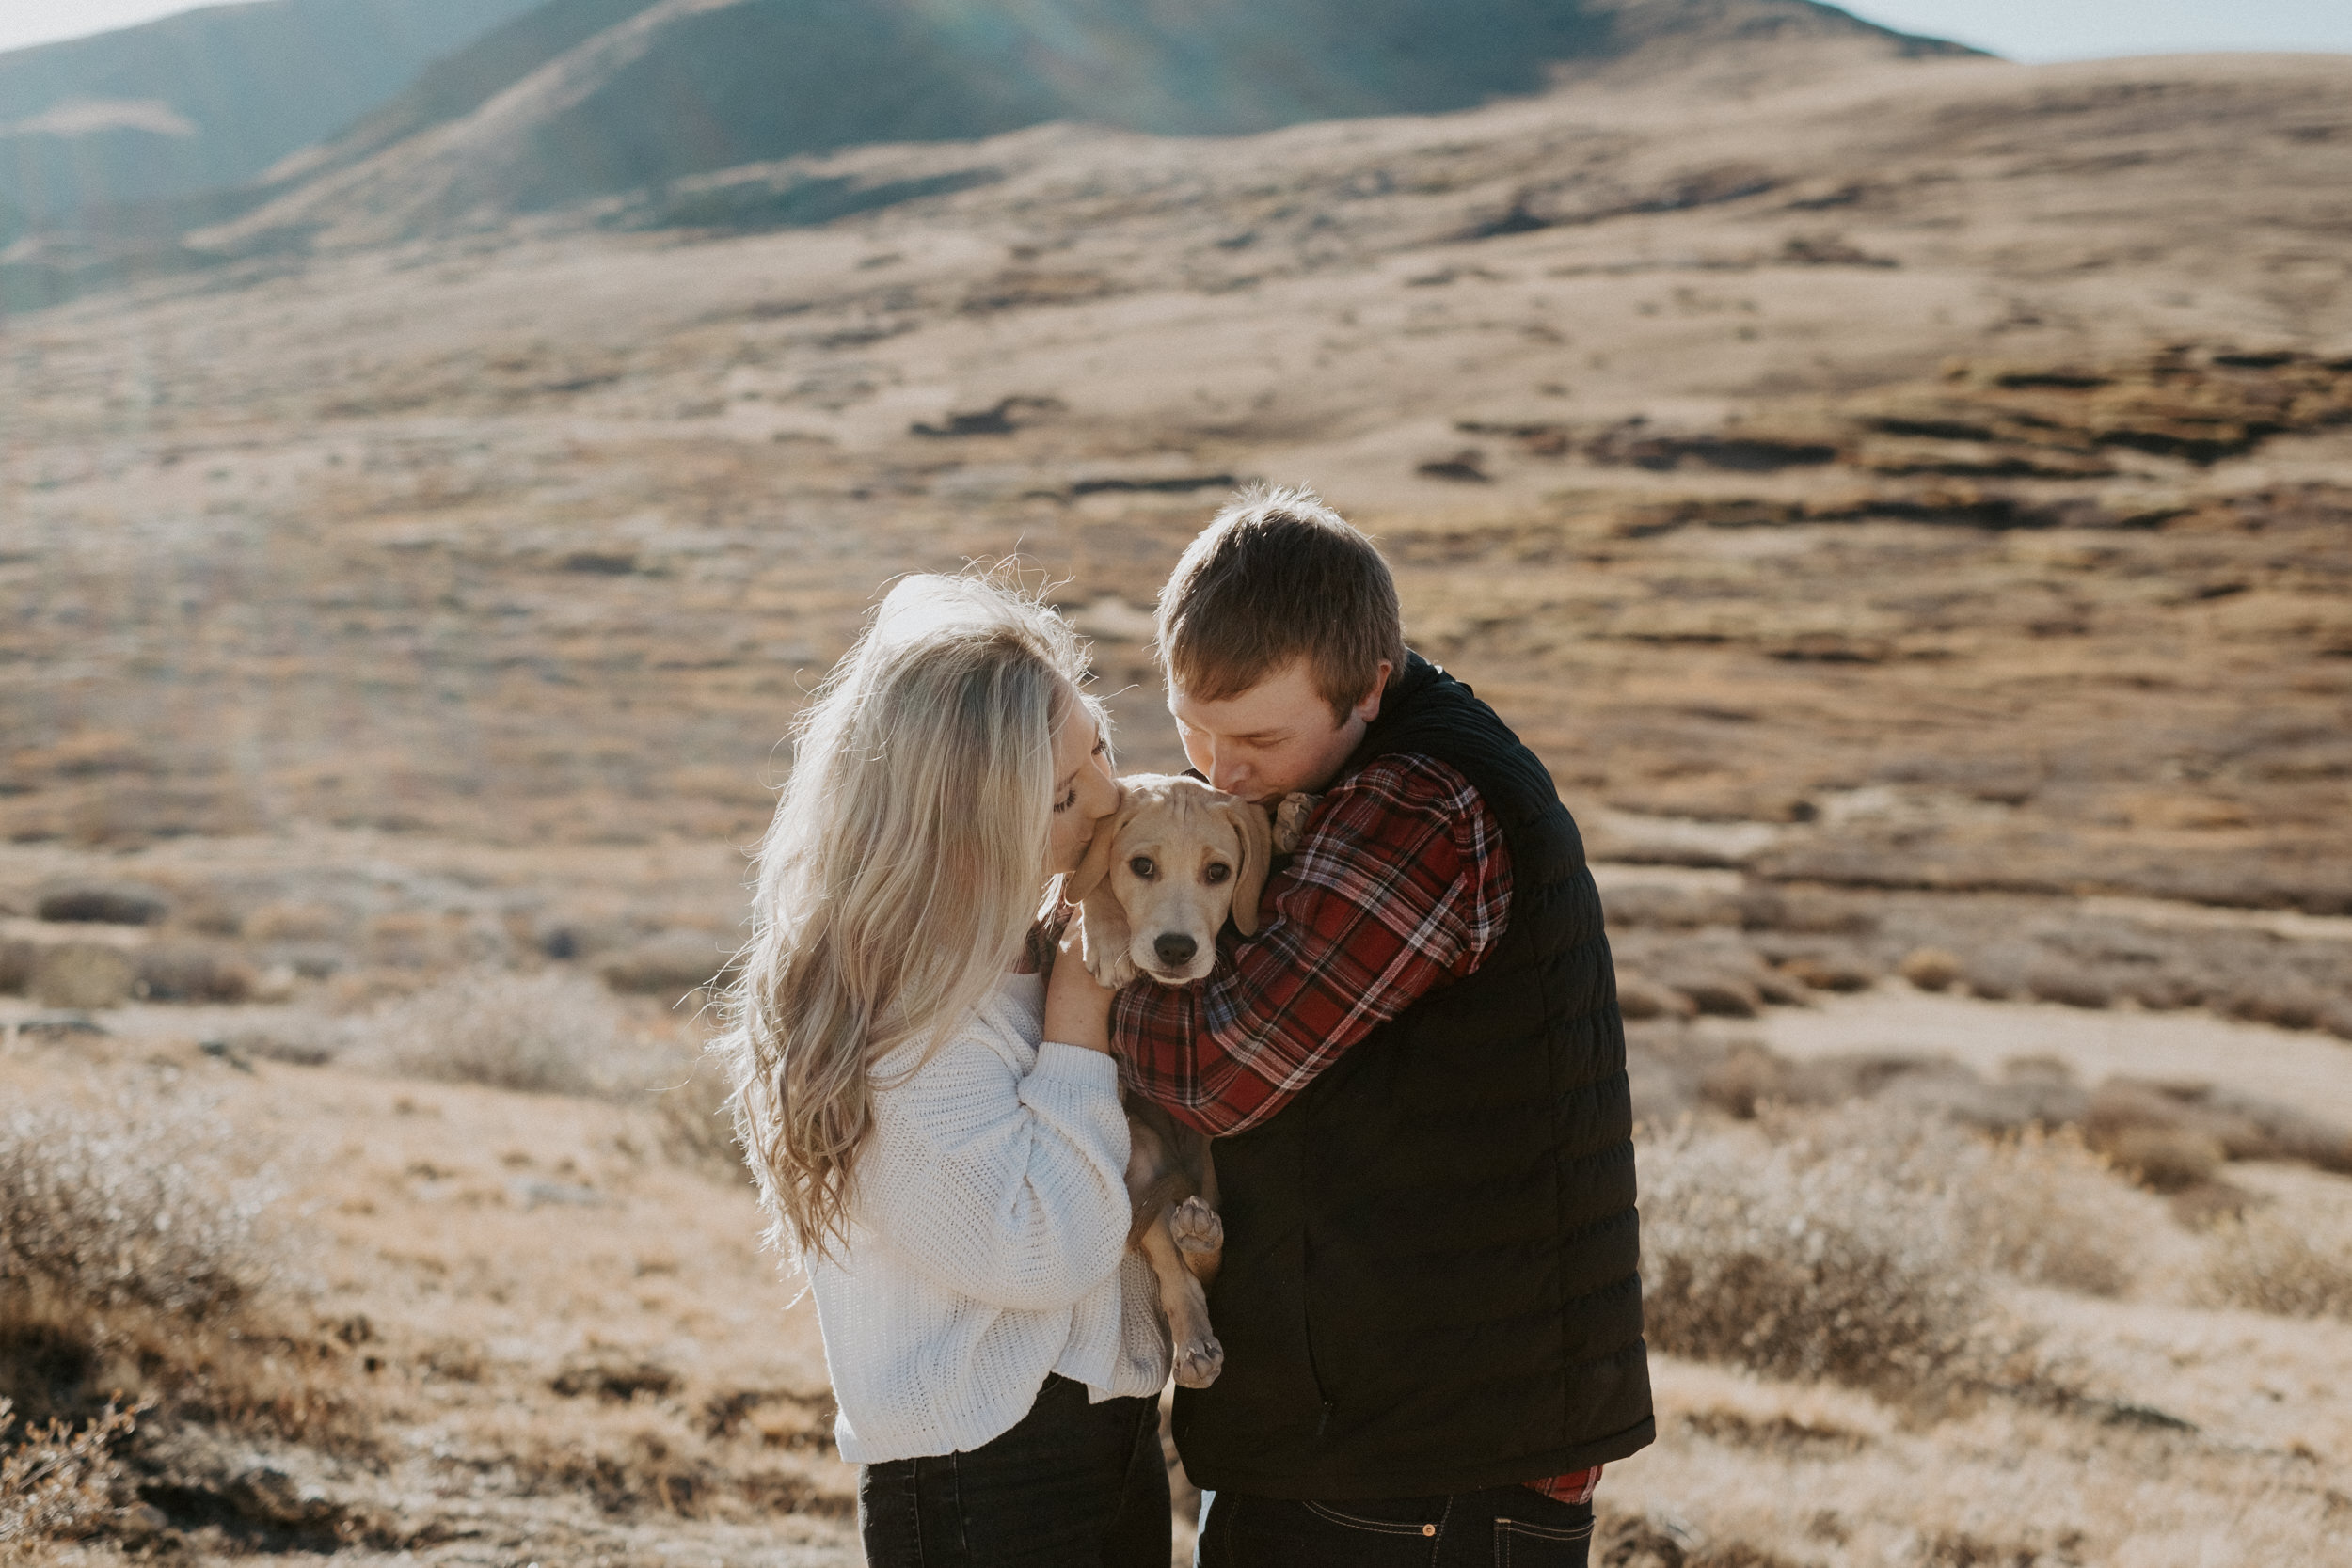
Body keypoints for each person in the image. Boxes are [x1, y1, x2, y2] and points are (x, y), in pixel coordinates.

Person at [1055, 487, 1653, 1566]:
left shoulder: (1415, 805)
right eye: (1194, 729)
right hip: (1384, 1445)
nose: (1219, 771)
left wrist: (1094, 952)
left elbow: (1215, 1070)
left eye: (1259, 737)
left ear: (1369, 685)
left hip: (1413, 1466)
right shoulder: (1333, 779)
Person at [719, 572, 1173, 1568]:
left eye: (1096, 744)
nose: (1106, 798)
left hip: (1105, 1443)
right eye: (1060, 796)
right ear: (966, 823)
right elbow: (1038, 1248)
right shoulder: (903, 1005)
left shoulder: (1023, 935)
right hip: (985, 1484)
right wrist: (1081, 1010)